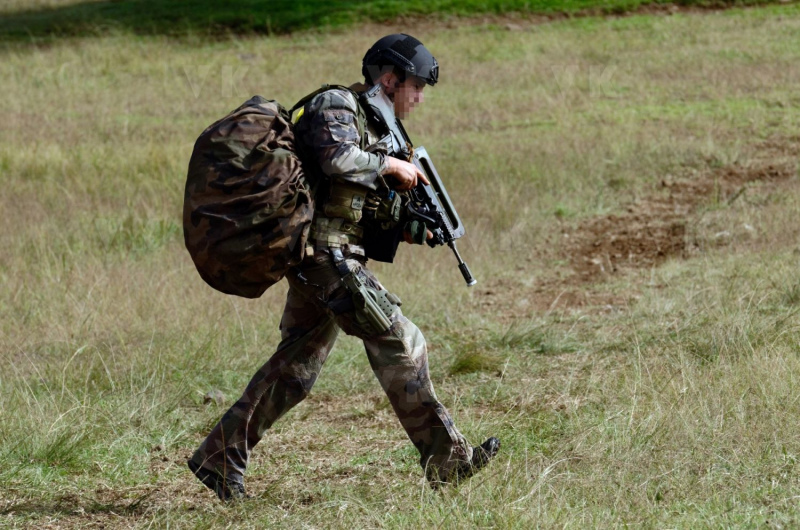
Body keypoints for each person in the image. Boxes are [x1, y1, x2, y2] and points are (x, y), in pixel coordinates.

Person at [188, 33, 499, 501]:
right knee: (400, 340)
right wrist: (390, 167)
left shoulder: (381, 128)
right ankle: (447, 461)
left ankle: (219, 456)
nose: (419, 98)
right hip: (325, 255)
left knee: (295, 371)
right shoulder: (337, 104)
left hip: (334, 255)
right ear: (389, 79)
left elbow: (363, 207)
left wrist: (415, 226)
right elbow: (337, 161)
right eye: (415, 86)